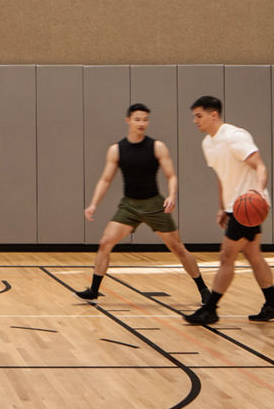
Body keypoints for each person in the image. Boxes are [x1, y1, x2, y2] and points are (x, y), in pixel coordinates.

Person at [75, 104, 210, 305]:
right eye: (137, 119)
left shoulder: (157, 147)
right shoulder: (116, 150)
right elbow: (105, 179)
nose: (142, 123)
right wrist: (93, 204)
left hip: (154, 204)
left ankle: (204, 290)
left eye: (145, 119)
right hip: (129, 206)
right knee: (105, 242)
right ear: (128, 120)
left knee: (178, 248)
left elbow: (171, 175)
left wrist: (172, 195)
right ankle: (94, 290)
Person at [185, 95, 274, 325]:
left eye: (199, 116)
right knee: (254, 255)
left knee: (227, 255)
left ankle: (211, 309)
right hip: (233, 206)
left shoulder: (235, 136)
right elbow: (222, 176)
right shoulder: (208, 143)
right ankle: (272, 304)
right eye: (194, 116)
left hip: (249, 205)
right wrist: (222, 206)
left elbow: (260, 165)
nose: (195, 121)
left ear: (213, 115)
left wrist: (259, 193)